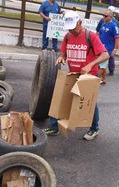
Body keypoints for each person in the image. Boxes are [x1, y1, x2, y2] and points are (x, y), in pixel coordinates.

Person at [44, 10, 109, 140]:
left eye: (74, 28)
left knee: (89, 102)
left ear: (80, 22)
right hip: (73, 74)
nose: (72, 31)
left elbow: (105, 55)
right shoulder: (68, 36)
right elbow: (63, 52)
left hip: (88, 76)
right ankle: (54, 127)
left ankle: (94, 128)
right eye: (70, 29)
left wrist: (90, 65)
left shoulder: (90, 36)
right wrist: (61, 57)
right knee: (60, 97)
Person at [96, 6, 119, 76]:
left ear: (110, 17)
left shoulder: (114, 25)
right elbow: (99, 33)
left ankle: (96, 77)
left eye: (105, 16)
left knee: (102, 64)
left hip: (108, 48)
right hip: (101, 47)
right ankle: (103, 79)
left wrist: (115, 49)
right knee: (101, 64)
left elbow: (117, 38)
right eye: (103, 16)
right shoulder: (103, 24)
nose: (103, 17)